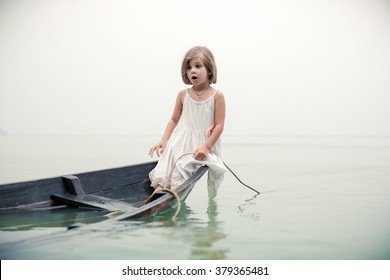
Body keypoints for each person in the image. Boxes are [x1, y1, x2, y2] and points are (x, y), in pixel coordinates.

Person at [148, 46, 226, 199]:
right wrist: (164, 140)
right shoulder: (183, 94)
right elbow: (174, 119)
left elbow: (219, 126)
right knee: (164, 169)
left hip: (200, 145)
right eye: (188, 67)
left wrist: (206, 146)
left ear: (209, 70)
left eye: (198, 66)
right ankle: (157, 196)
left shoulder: (217, 96)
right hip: (179, 140)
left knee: (180, 172)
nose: (192, 71)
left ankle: (169, 196)